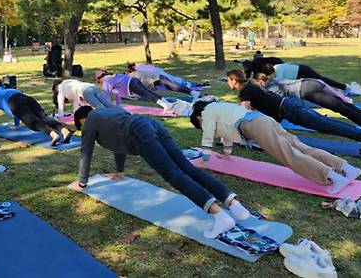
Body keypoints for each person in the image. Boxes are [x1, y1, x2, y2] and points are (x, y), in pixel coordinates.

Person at [69, 105, 255, 238]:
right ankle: (235, 206)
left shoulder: (91, 121)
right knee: (186, 168)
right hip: (151, 125)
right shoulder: (108, 112)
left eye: (81, 127)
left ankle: (219, 216)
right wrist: (119, 171)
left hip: (139, 132)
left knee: (172, 173)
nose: (84, 130)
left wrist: (82, 182)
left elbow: (86, 151)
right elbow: (119, 144)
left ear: (82, 120)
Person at [190, 99, 361, 194]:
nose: (203, 125)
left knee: (289, 156)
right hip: (263, 120)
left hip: (255, 126)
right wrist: (227, 154)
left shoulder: (207, 112)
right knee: (301, 148)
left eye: (200, 123)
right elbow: (226, 135)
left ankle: (333, 177)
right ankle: (346, 168)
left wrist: (205, 158)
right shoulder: (221, 107)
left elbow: (207, 136)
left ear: (199, 116)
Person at [226, 70, 361, 155]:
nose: (227, 83)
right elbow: (260, 107)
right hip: (288, 109)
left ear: (233, 80)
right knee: (326, 125)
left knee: (327, 125)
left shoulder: (246, 90)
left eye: (228, 80)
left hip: (290, 109)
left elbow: (242, 112)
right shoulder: (251, 87)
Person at [254, 73, 361, 132]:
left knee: (340, 107)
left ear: (260, 83)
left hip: (308, 89)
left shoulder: (270, 88)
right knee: (341, 106)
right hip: (311, 83)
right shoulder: (274, 82)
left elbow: (280, 105)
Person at [0, 79, 73, 145]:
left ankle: (53, 135)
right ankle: (64, 130)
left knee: (32, 122)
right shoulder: (9, 89)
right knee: (44, 117)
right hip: (27, 98)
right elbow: (16, 111)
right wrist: (16, 125)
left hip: (16, 102)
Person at [95, 70, 188, 116]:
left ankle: (166, 105)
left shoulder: (106, 82)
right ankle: (166, 103)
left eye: (98, 81)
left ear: (99, 79)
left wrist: (105, 108)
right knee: (148, 92)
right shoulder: (112, 77)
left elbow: (106, 96)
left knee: (147, 95)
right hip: (133, 80)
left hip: (130, 84)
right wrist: (118, 104)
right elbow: (117, 94)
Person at [260, 63, 361, 96]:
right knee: (316, 83)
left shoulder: (278, 68)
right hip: (299, 75)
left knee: (322, 80)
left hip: (302, 70)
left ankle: (346, 87)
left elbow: (280, 80)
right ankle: (339, 90)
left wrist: (269, 80)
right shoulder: (277, 68)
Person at [125, 62, 202, 95]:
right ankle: (192, 91)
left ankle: (192, 92)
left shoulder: (134, 73)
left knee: (174, 86)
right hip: (156, 78)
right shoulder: (135, 72)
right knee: (173, 86)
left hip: (157, 77)